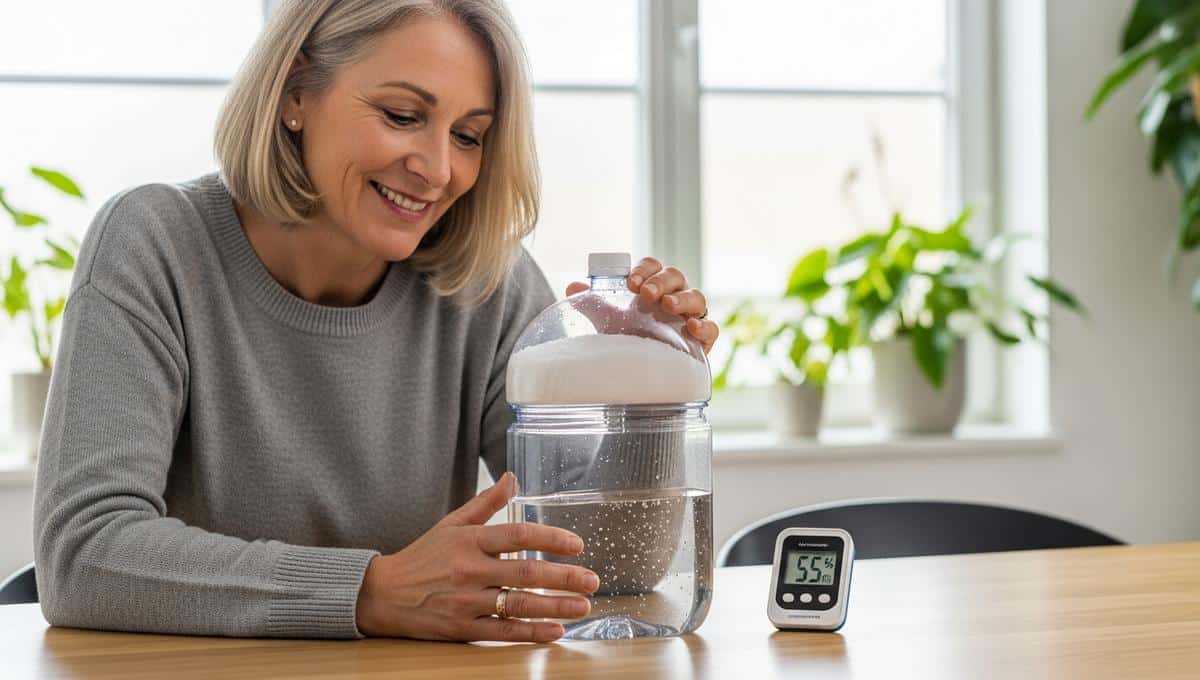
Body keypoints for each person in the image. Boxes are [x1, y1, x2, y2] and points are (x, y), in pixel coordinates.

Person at [32, 0, 719, 643]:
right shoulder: (156, 243)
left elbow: (611, 568)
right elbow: (83, 554)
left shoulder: (486, 280)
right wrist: (370, 591)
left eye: (469, 135)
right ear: (296, 92)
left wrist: (646, 397)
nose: (438, 168)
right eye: (400, 114)